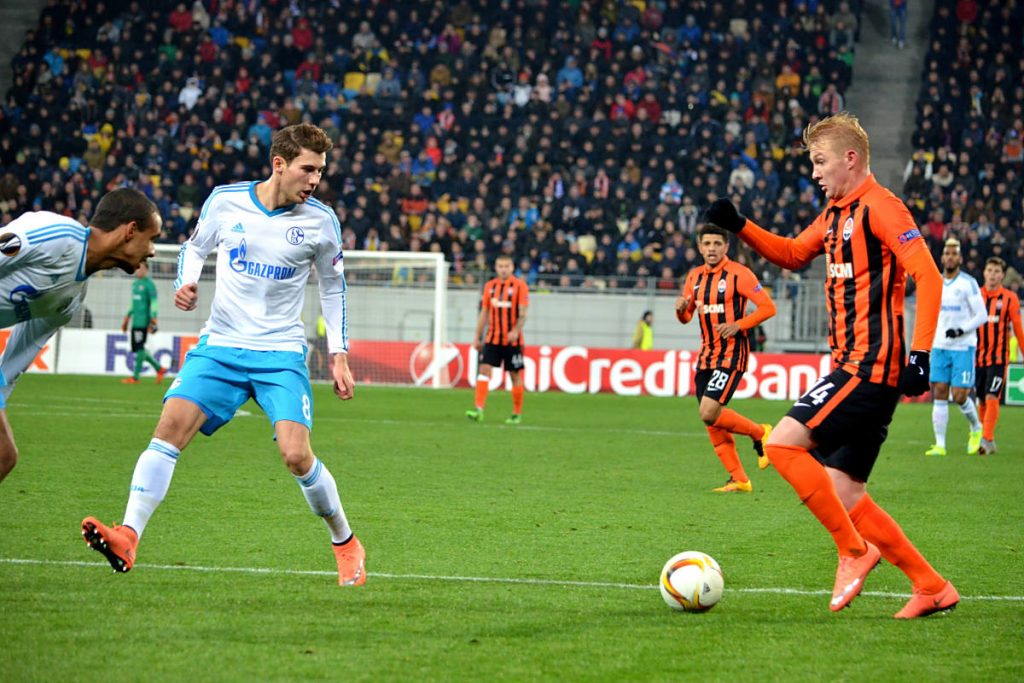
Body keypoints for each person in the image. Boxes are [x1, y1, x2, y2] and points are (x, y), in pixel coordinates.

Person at [82, 124, 365, 587]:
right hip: (222, 346)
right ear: (279, 164)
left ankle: (345, 541)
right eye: (307, 169)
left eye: (320, 171)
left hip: (279, 352)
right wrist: (185, 282)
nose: (315, 180)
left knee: (296, 456)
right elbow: (195, 248)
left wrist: (339, 355)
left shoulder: (321, 221)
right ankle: (128, 535)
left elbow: (333, 288)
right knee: (169, 429)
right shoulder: (225, 200)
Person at [703, 112, 959, 618]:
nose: (815, 173)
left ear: (851, 158)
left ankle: (854, 551)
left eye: (820, 162)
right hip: (855, 365)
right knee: (844, 490)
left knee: (780, 445)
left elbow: (928, 278)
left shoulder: (882, 208)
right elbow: (795, 254)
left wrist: (921, 353)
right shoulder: (835, 213)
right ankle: (931, 586)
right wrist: (740, 226)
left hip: (868, 367)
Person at [0, 188, 162, 484]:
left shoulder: (71, 301)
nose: (152, 250)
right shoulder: (56, 236)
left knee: (4, 455)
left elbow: (17, 356)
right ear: (130, 230)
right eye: (151, 239)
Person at [675, 223, 776, 492]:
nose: (711, 249)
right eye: (706, 244)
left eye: (717, 244)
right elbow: (687, 318)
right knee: (711, 420)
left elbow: (768, 307)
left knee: (708, 411)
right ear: (699, 247)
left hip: (732, 355)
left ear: (726, 247)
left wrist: (739, 325)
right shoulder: (694, 277)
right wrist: (681, 310)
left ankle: (760, 432)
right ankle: (740, 479)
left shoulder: (739, 275)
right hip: (706, 356)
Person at [925, 239, 987, 456]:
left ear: (960, 258)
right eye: (947, 254)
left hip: (963, 346)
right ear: (942, 258)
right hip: (939, 345)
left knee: (960, 395)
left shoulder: (968, 283)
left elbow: (982, 315)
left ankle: (976, 428)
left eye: (954, 254)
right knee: (940, 392)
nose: (950, 257)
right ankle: (940, 445)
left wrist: (961, 330)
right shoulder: (935, 282)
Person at [465, 254, 529, 425]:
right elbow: (484, 313)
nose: (503, 269)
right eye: (500, 266)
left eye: (506, 266)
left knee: (514, 375)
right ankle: (478, 409)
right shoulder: (490, 287)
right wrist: (477, 336)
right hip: (492, 338)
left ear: (512, 267)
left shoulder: (520, 286)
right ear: (496, 267)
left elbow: (523, 314)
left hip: (512, 341)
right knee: (484, 370)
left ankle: (516, 413)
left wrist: (515, 330)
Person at [974, 257, 1024, 454]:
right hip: (977, 358)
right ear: (984, 272)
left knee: (992, 395)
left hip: (998, 358)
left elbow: (1018, 329)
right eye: (990, 270)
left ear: (1002, 276)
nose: (993, 275)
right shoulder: (976, 296)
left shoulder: (1010, 298)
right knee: (981, 400)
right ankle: (989, 439)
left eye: (997, 271)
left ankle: (985, 440)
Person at [120, 262, 168, 384]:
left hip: (143, 321)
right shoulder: (135, 284)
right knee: (138, 349)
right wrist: (127, 317)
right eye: (137, 268)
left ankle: (135, 377)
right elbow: (133, 304)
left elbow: (154, 303)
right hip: (135, 321)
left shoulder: (149, 285)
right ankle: (159, 368)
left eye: (141, 268)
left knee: (139, 347)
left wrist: (154, 318)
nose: (138, 270)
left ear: (146, 269)